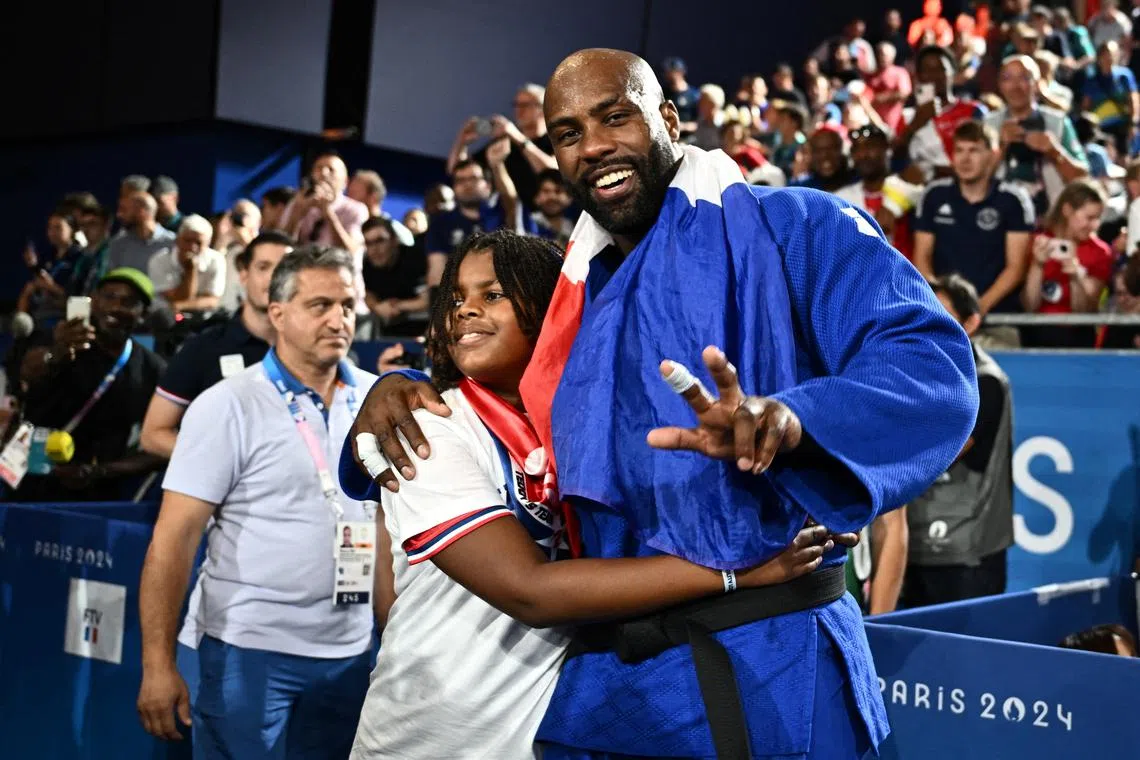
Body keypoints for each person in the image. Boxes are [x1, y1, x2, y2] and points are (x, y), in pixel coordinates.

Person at [344, 49, 978, 759]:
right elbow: (489, 360)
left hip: (772, 667)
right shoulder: (567, 295)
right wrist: (390, 387)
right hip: (609, 689)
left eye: (616, 117)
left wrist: (795, 419)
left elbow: (932, 369)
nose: (595, 147)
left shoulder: (796, 226)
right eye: (568, 134)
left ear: (667, 117)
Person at [348, 229, 845, 759]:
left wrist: (802, 500)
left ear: (549, 309)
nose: (464, 311)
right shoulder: (429, 428)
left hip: (549, 731)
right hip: (430, 734)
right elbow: (528, 591)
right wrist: (735, 573)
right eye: (455, 299)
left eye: (492, 294)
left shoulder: (588, 422)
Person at [137, 246, 383, 759]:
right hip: (248, 649)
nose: (339, 319)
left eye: (347, 305)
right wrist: (157, 664)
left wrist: (392, 638)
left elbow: (384, 525)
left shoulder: (376, 399)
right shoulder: (227, 405)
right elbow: (173, 540)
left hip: (352, 651)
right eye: (320, 305)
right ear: (277, 314)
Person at [904, 275, 1014, 608]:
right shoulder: (916, 372)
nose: (929, 321)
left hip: (966, 555)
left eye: (942, 313)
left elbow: (938, 454)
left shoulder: (988, 382)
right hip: (916, 547)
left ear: (971, 323)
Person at [13, 268, 166, 502]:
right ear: (93, 301)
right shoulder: (62, 337)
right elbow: (28, 373)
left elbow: (162, 446)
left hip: (97, 493)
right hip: (31, 478)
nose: (115, 307)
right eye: (109, 297)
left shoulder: (151, 369)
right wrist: (57, 353)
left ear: (143, 313)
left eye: (128, 302)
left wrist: (100, 472)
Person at [140, 231, 294, 459]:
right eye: (263, 267)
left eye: (283, 269)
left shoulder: (310, 351)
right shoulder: (204, 348)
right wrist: (220, 461)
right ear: (243, 274)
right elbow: (153, 435)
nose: (274, 278)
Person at [913, 120, 1035, 350]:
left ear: (993, 154)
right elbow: (922, 260)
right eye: (959, 150)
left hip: (997, 321)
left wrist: (975, 309)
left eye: (974, 150)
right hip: (943, 319)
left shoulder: (1013, 199)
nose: (965, 159)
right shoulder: (934, 195)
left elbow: (1016, 268)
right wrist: (944, 308)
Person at [1021, 178, 1114, 347]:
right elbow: (1029, 306)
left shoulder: (1101, 252)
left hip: (1077, 336)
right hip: (1037, 333)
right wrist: (1037, 265)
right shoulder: (1037, 242)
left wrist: (1075, 275)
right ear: (1067, 210)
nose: (1094, 225)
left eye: (1098, 218)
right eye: (1089, 217)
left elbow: (1085, 311)